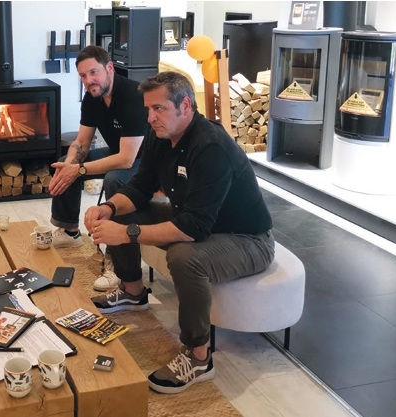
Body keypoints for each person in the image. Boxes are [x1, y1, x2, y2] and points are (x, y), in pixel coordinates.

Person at [84, 72, 274, 394]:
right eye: (148, 109)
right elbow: (141, 186)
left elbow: (191, 229)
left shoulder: (210, 146)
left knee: (184, 256)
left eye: (158, 108)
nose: (150, 117)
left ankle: (199, 358)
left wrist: (126, 233)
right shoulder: (161, 134)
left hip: (248, 240)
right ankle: (133, 292)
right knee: (124, 206)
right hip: (199, 221)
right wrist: (109, 209)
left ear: (185, 105)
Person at [47, 46, 148, 262]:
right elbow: (82, 142)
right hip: (118, 153)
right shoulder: (92, 97)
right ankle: (70, 232)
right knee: (65, 162)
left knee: (114, 179)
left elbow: (126, 159)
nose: (88, 80)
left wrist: (79, 170)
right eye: (83, 76)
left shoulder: (133, 95)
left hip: (146, 160)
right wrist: (70, 165)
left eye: (93, 72)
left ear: (109, 68)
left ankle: (118, 255)